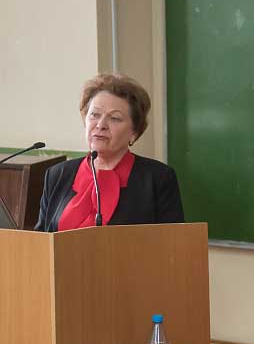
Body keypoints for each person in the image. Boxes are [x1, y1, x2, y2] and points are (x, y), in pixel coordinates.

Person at [35, 73, 184, 231]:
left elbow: (173, 241)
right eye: (94, 115)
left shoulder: (158, 179)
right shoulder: (57, 175)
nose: (101, 125)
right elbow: (40, 239)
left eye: (114, 118)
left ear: (134, 132)